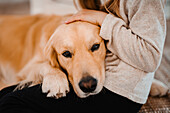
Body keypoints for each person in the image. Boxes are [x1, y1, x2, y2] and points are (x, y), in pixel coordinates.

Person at [0, 0, 166, 113]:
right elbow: (29, 69)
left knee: (9, 104)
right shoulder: (62, 36)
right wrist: (52, 71)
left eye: (94, 47)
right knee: (4, 95)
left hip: (119, 95)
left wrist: (103, 19)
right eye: (67, 54)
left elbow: (148, 51)